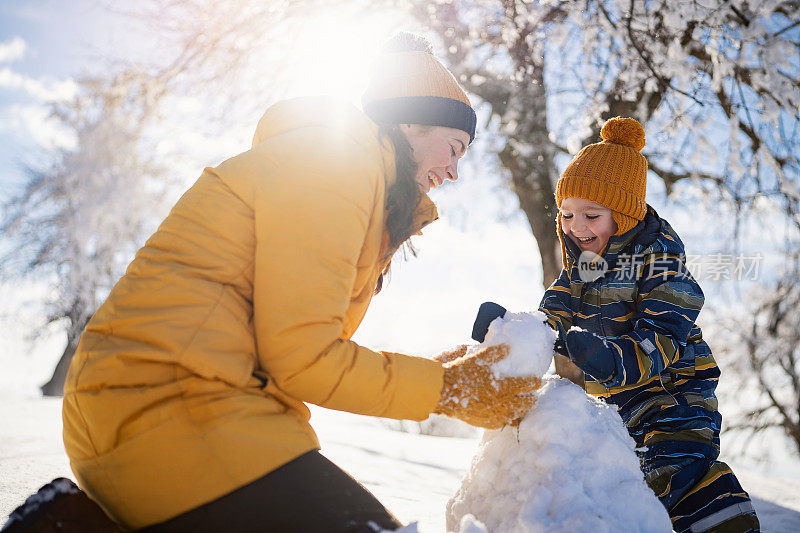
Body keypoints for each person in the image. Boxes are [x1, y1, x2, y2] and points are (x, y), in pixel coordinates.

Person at [61, 33, 538, 532]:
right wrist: (446, 388)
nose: (455, 171)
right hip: (168, 407)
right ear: (410, 122)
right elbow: (303, 357)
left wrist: (438, 374)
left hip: (171, 406)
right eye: (454, 147)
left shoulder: (345, 173)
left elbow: (296, 344)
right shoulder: (335, 165)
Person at [539, 117, 760, 533]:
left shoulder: (662, 267)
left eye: (591, 215)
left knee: (667, 475)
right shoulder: (583, 268)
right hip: (619, 407)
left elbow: (662, 338)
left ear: (622, 218)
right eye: (567, 214)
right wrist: (520, 331)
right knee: (618, 483)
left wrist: (608, 359)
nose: (577, 226)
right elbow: (555, 308)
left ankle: (728, 518)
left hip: (673, 399)